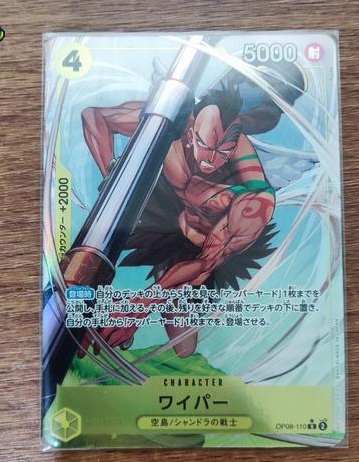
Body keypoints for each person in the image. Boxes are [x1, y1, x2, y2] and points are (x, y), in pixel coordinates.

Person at [80, 84, 277, 357]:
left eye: (224, 152)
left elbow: (205, 264)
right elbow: (94, 117)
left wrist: (139, 306)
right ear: (192, 129)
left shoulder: (254, 201)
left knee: (184, 347)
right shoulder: (169, 123)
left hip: (204, 247)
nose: (210, 162)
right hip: (166, 214)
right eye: (205, 146)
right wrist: (112, 177)